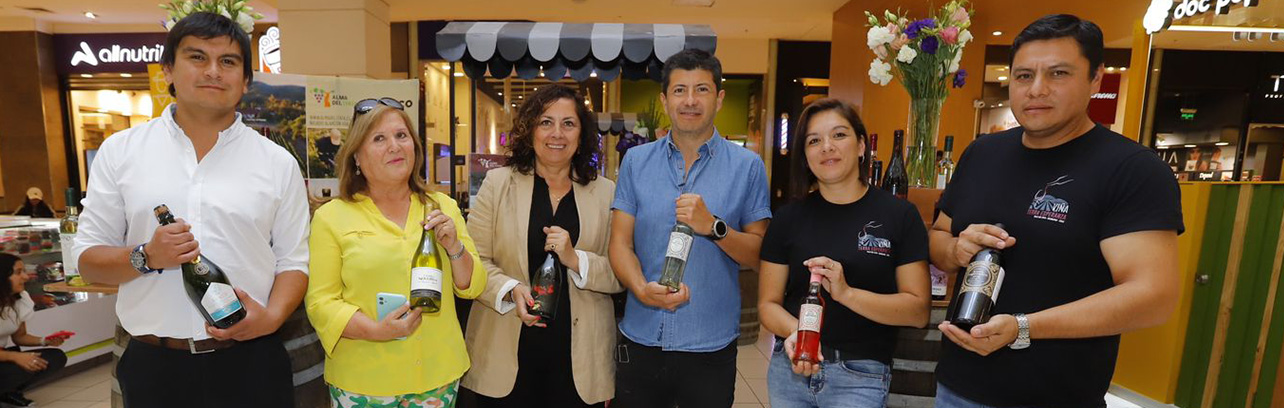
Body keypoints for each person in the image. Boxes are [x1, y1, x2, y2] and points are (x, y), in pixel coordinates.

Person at [929, 14, 1183, 407]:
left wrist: (1023, 327)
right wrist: (955, 250)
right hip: (957, 388)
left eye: (1058, 73)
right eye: (1024, 75)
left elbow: (1152, 296)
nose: (1037, 90)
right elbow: (939, 237)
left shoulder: (1132, 169)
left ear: (1095, 79)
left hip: (1057, 396)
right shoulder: (982, 153)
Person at [70, 12, 310, 408]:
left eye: (228, 61)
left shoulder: (277, 162)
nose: (213, 71)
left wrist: (272, 316)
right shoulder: (121, 151)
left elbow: (293, 261)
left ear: (246, 80)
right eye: (197, 57)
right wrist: (146, 257)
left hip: (251, 361)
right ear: (169, 70)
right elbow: (88, 261)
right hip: (155, 367)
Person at [608, 48, 772, 408]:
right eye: (680, 91)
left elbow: (762, 255)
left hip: (710, 345)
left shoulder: (748, 167)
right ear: (665, 100)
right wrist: (640, 288)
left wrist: (714, 227)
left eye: (702, 89)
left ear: (719, 98)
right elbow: (619, 243)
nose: (690, 100)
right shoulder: (636, 161)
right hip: (641, 338)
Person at [305, 101, 485, 408]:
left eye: (402, 136)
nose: (394, 146)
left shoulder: (442, 206)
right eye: (379, 139)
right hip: (364, 381)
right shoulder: (332, 217)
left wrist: (454, 247)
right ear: (357, 157)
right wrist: (376, 331)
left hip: (437, 377)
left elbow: (473, 286)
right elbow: (321, 303)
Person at [759, 99, 931, 408]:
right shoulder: (787, 218)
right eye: (814, 140)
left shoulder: (899, 215)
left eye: (839, 135)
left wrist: (846, 293)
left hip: (860, 375)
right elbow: (767, 305)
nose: (827, 147)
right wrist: (797, 334)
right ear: (805, 155)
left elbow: (917, 312)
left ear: (862, 145)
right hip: (791, 371)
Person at [462, 84, 621, 407]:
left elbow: (621, 272)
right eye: (546, 122)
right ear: (530, 129)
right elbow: (473, 262)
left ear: (582, 135)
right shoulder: (497, 184)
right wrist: (509, 289)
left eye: (568, 124)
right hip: (505, 354)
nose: (556, 134)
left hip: (580, 361)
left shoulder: (606, 193)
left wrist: (576, 259)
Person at [0, 254, 67, 408]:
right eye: (18, 272)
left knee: (55, 357)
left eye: (24, 271)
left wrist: (45, 341)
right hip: (5, 356)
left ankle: (7, 392)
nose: (25, 277)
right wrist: (15, 357)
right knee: (20, 364)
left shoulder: (19, 299)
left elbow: (20, 337)